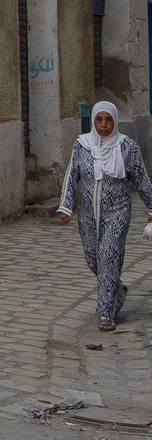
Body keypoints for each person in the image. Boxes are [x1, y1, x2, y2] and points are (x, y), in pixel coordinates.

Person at [58, 101, 152, 332]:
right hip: (87, 214)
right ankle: (117, 289)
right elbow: (72, 175)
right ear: (93, 121)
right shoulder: (82, 145)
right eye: (99, 120)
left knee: (108, 255)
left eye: (108, 120)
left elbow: (142, 180)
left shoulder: (127, 147)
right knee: (93, 259)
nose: (103, 125)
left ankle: (105, 312)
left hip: (118, 211)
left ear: (115, 121)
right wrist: (65, 207)